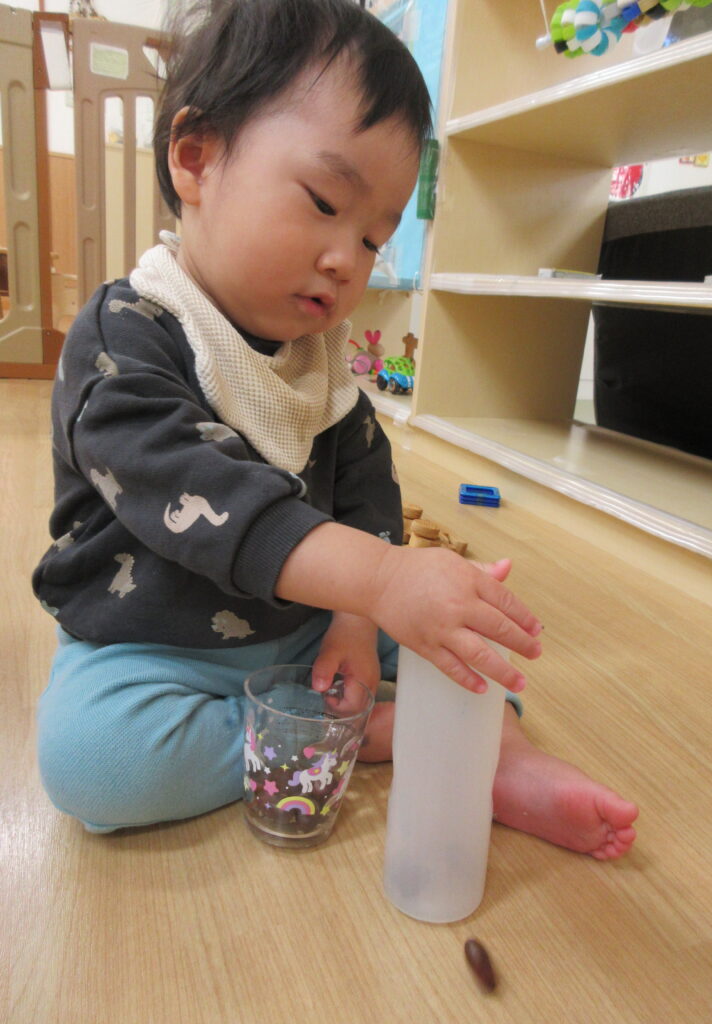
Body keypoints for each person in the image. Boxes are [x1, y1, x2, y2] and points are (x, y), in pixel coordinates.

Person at [33, 0, 638, 856]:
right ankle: (368, 735)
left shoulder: (317, 360)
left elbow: (366, 490)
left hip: (314, 630)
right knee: (91, 762)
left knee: (454, 645)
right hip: (153, 649)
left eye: (374, 239)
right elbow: (195, 489)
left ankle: (501, 759)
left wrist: (360, 615)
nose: (346, 260)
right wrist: (381, 580)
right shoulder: (124, 336)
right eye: (324, 202)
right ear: (195, 158)